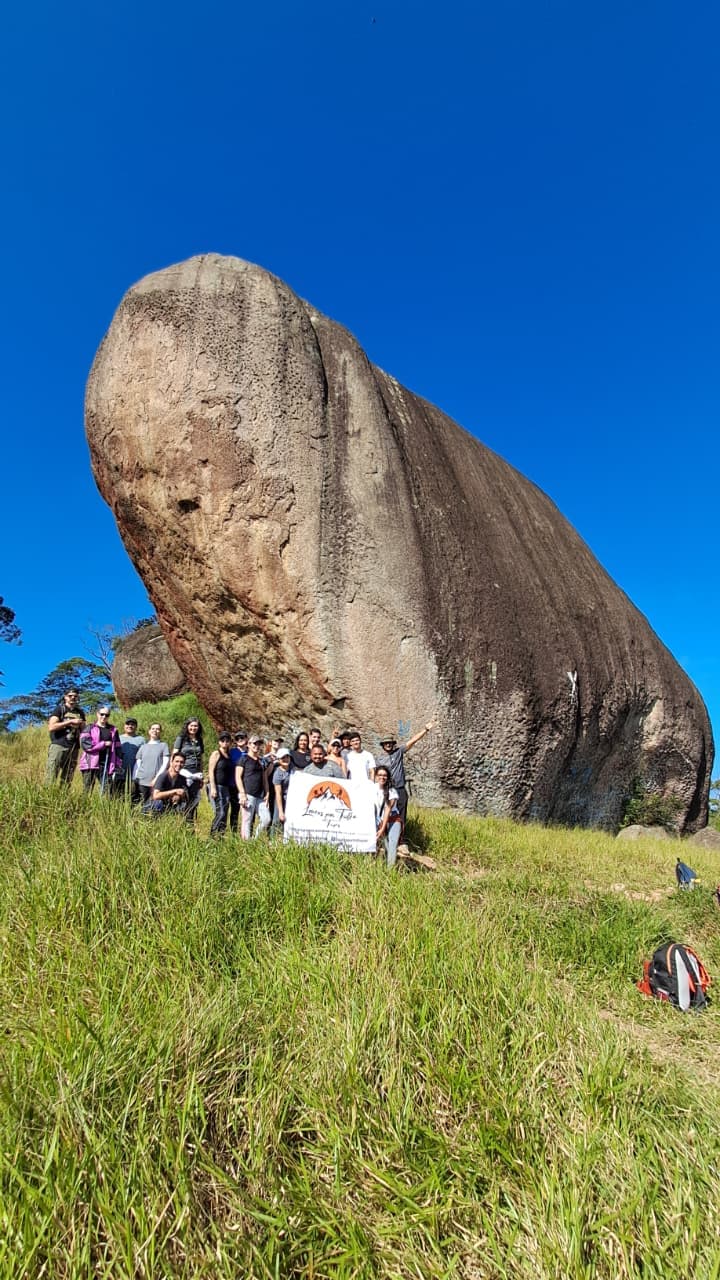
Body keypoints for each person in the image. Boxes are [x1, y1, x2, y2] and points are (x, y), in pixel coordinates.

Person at [376, 721, 435, 826]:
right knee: (385, 813)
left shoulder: (398, 752)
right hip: (387, 789)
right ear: (383, 745)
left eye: (390, 743)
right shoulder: (379, 759)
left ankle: (401, 838)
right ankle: (385, 836)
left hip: (400, 789)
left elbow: (413, 741)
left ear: (393, 744)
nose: (388, 744)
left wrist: (425, 730)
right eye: (386, 743)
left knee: (401, 815)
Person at [46, 687, 86, 784]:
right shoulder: (60, 709)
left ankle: (63, 797)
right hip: (59, 745)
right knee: (52, 774)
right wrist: (70, 722)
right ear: (65, 697)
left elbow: (84, 731)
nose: (73, 698)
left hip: (74, 747)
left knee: (68, 777)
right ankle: (48, 796)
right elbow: (51, 727)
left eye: (75, 696)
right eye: (70, 696)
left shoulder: (80, 712)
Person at [78, 707, 122, 793]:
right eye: (102, 714)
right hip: (90, 763)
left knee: (107, 789)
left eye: (107, 715)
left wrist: (117, 763)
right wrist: (103, 744)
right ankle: (84, 805)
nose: (104, 716)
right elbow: (85, 745)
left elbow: (118, 748)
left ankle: (103, 806)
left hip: (107, 763)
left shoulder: (113, 730)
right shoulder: (89, 728)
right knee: (87, 789)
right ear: (97, 714)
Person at [146, 750, 199, 821]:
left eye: (181, 762)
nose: (179, 764)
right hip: (156, 806)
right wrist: (174, 792)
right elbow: (155, 796)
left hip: (170, 806)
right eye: (177, 761)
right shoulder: (163, 776)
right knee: (158, 803)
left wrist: (180, 796)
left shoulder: (182, 779)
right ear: (171, 762)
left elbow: (184, 795)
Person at [236, 735, 271, 838]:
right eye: (254, 743)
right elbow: (238, 777)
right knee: (247, 820)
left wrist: (267, 792)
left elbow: (265, 778)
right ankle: (246, 844)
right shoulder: (243, 759)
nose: (256, 746)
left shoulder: (261, 761)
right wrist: (242, 793)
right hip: (248, 794)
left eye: (258, 743)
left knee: (266, 819)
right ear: (249, 745)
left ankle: (255, 840)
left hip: (260, 795)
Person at [207, 732, 240, 836]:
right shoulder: (216, 754)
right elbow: (211, 771)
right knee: (220, 812)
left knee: (225, 813)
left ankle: (220, 836)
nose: (225, 743)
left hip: (226, 787)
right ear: (219, 742)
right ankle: (212, 835)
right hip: (217, 786)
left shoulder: (229, 755)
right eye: (223, 740)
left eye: (227, 741)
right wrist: (213, 787)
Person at [173, 718, 204, 817]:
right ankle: (181, 823)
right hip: (183, 771)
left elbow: (201, 758)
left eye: (196, 726)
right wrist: (173, 771)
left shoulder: (199, 740)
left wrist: (201, 775)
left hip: (196, 773)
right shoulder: (181, 738)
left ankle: (190, 825)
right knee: (183, 798)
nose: (193, 728)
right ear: (187, 726)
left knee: (194, 800)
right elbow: (174, 755)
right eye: (191, 725)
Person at [133, 723, 170, 805]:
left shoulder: (163, 746)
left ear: (160, 732)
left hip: (155, 781)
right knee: (140, 803)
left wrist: (157, 778)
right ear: (149, 731)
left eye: (157, 729)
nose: (155, 731)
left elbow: (165, 763)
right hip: (141, 780)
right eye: (153, 728)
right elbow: (137, 764)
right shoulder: (143, 746)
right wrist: (134, 778)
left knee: (154, 804)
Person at [374, 765, 403, 868]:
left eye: (385, 775)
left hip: (393, 819)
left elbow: (387, 810)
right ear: (376, 776)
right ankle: (386, 866)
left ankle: (390, 871)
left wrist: (382, 829)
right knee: (385, 846)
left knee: (392, 844)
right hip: (380, 820)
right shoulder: (372, 789)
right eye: (380, 775)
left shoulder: (392, 791)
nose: (382, 777)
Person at [119, 717, 146, 804]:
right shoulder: (118, 738)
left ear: (136, 726)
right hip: (119, 772)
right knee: (118, 795)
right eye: (128, 724)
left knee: (133, 796)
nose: (130, 726)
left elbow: (144, 756)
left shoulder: (141, 740)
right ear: (124, 726)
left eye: (132, 724)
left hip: (134, 774)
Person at [272, 746, 293, 831]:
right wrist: (280, 811)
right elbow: (278, 793)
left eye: (287, 757)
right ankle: (272, 841)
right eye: (283, 758)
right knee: (277, 821)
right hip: (281, 800)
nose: (285, 759)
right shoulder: (277, 774)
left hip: (291, 800)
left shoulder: (293, 770)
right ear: (279, 759)